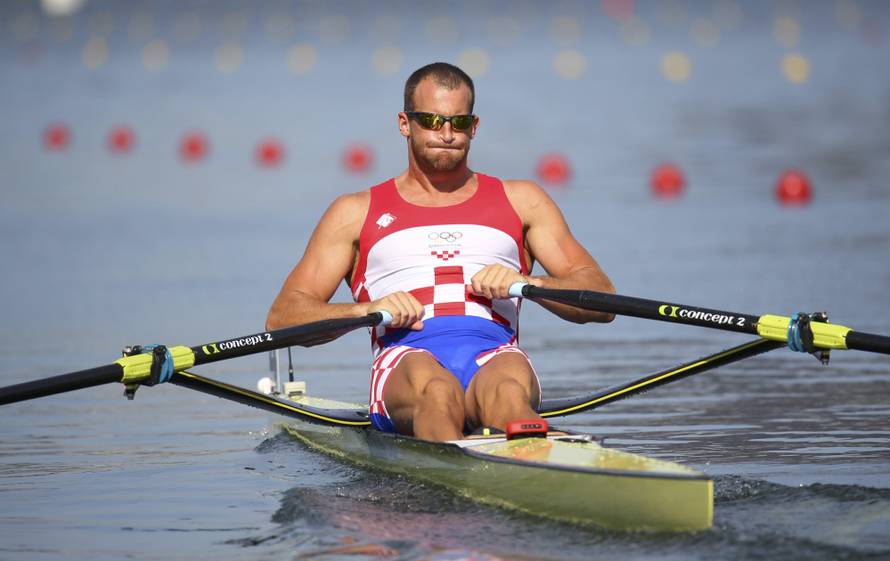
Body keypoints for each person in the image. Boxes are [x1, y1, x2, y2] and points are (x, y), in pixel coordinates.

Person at [267, 62, 614, 441]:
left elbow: (601, 298)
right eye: (431, 121)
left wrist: (526, 282)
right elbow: (283, 318)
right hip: (406, 358)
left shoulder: (523, 201)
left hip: (494, 353)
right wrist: (364, 310)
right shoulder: (354, 212)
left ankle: (533, 461)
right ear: (404, 123)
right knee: (437, 392)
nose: (446, 134)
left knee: (509, 391)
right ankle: (454, 478)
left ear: (474, 127)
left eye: (458, 122)